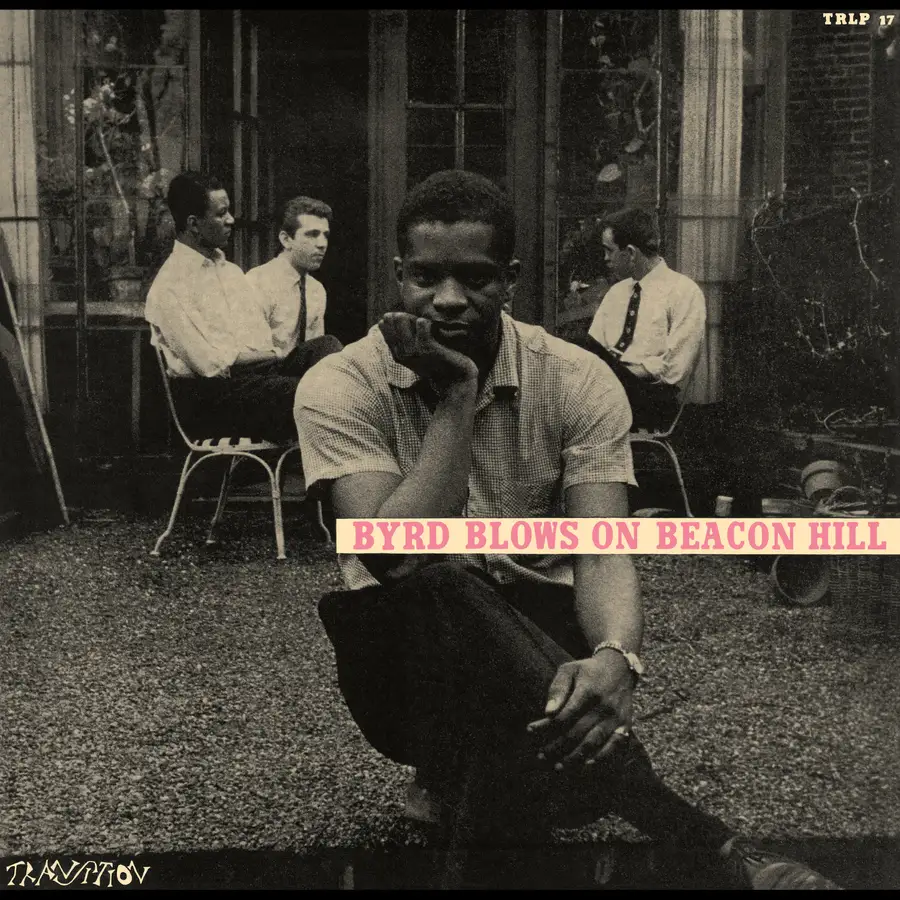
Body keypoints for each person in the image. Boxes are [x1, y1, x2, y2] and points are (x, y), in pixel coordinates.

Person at [293, 170, 840, 890]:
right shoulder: (341, 384)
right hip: (403, 665)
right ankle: (703, 842)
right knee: (442, 583)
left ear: (511, 279)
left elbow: (602, 551)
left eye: (475, 278)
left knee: (498, 758)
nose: (448, 299)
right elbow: (396, 557)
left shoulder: (576, 379)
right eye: (426, 277)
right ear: (399, 274)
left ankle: (465, 787)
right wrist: (457, 397)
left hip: (541, 652)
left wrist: (616, 658)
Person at [145, 171, 340, 442]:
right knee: (312, 392)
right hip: (211, 401)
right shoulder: (170, 286)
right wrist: (272, 355)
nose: (231, 220)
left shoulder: (231, 273)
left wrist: (267, 355)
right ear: (193, 224)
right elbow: (212, 366)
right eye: (221, 214)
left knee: (326, 348)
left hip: (253, 381)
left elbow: (257, 341)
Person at [586, 208, 706, 429]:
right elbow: (593, 349)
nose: (605, 259)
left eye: (609, 251)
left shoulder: (684, 291)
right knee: (574, 348)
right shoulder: (616, 293)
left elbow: (675, 368)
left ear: (631, 253)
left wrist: (623, 371)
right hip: (606, 388)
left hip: (651, 398)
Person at [246, 196, 343, 362]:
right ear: (286, 240)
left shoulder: (316, 290)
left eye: (325, 235)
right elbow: (255, 355)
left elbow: (315, 354)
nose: (322, 244)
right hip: (264, 370)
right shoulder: (258, 282)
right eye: (312, 234)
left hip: (300, 373)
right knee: (329, 345)